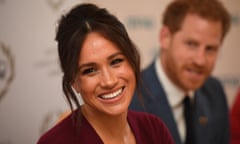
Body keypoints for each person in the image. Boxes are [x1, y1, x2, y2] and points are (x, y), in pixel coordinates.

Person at [37, 3, 174, 144]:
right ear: (73, 81)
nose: (109, 81)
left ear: (131, 59)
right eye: (90, 70)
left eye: (116, 61)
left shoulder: (154, 129)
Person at [130, 0, 231, 144]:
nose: (200, 60)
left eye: (210, 49)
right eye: (191, 44)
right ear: (165, 37)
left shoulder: (214, 92)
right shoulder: (130, 99)